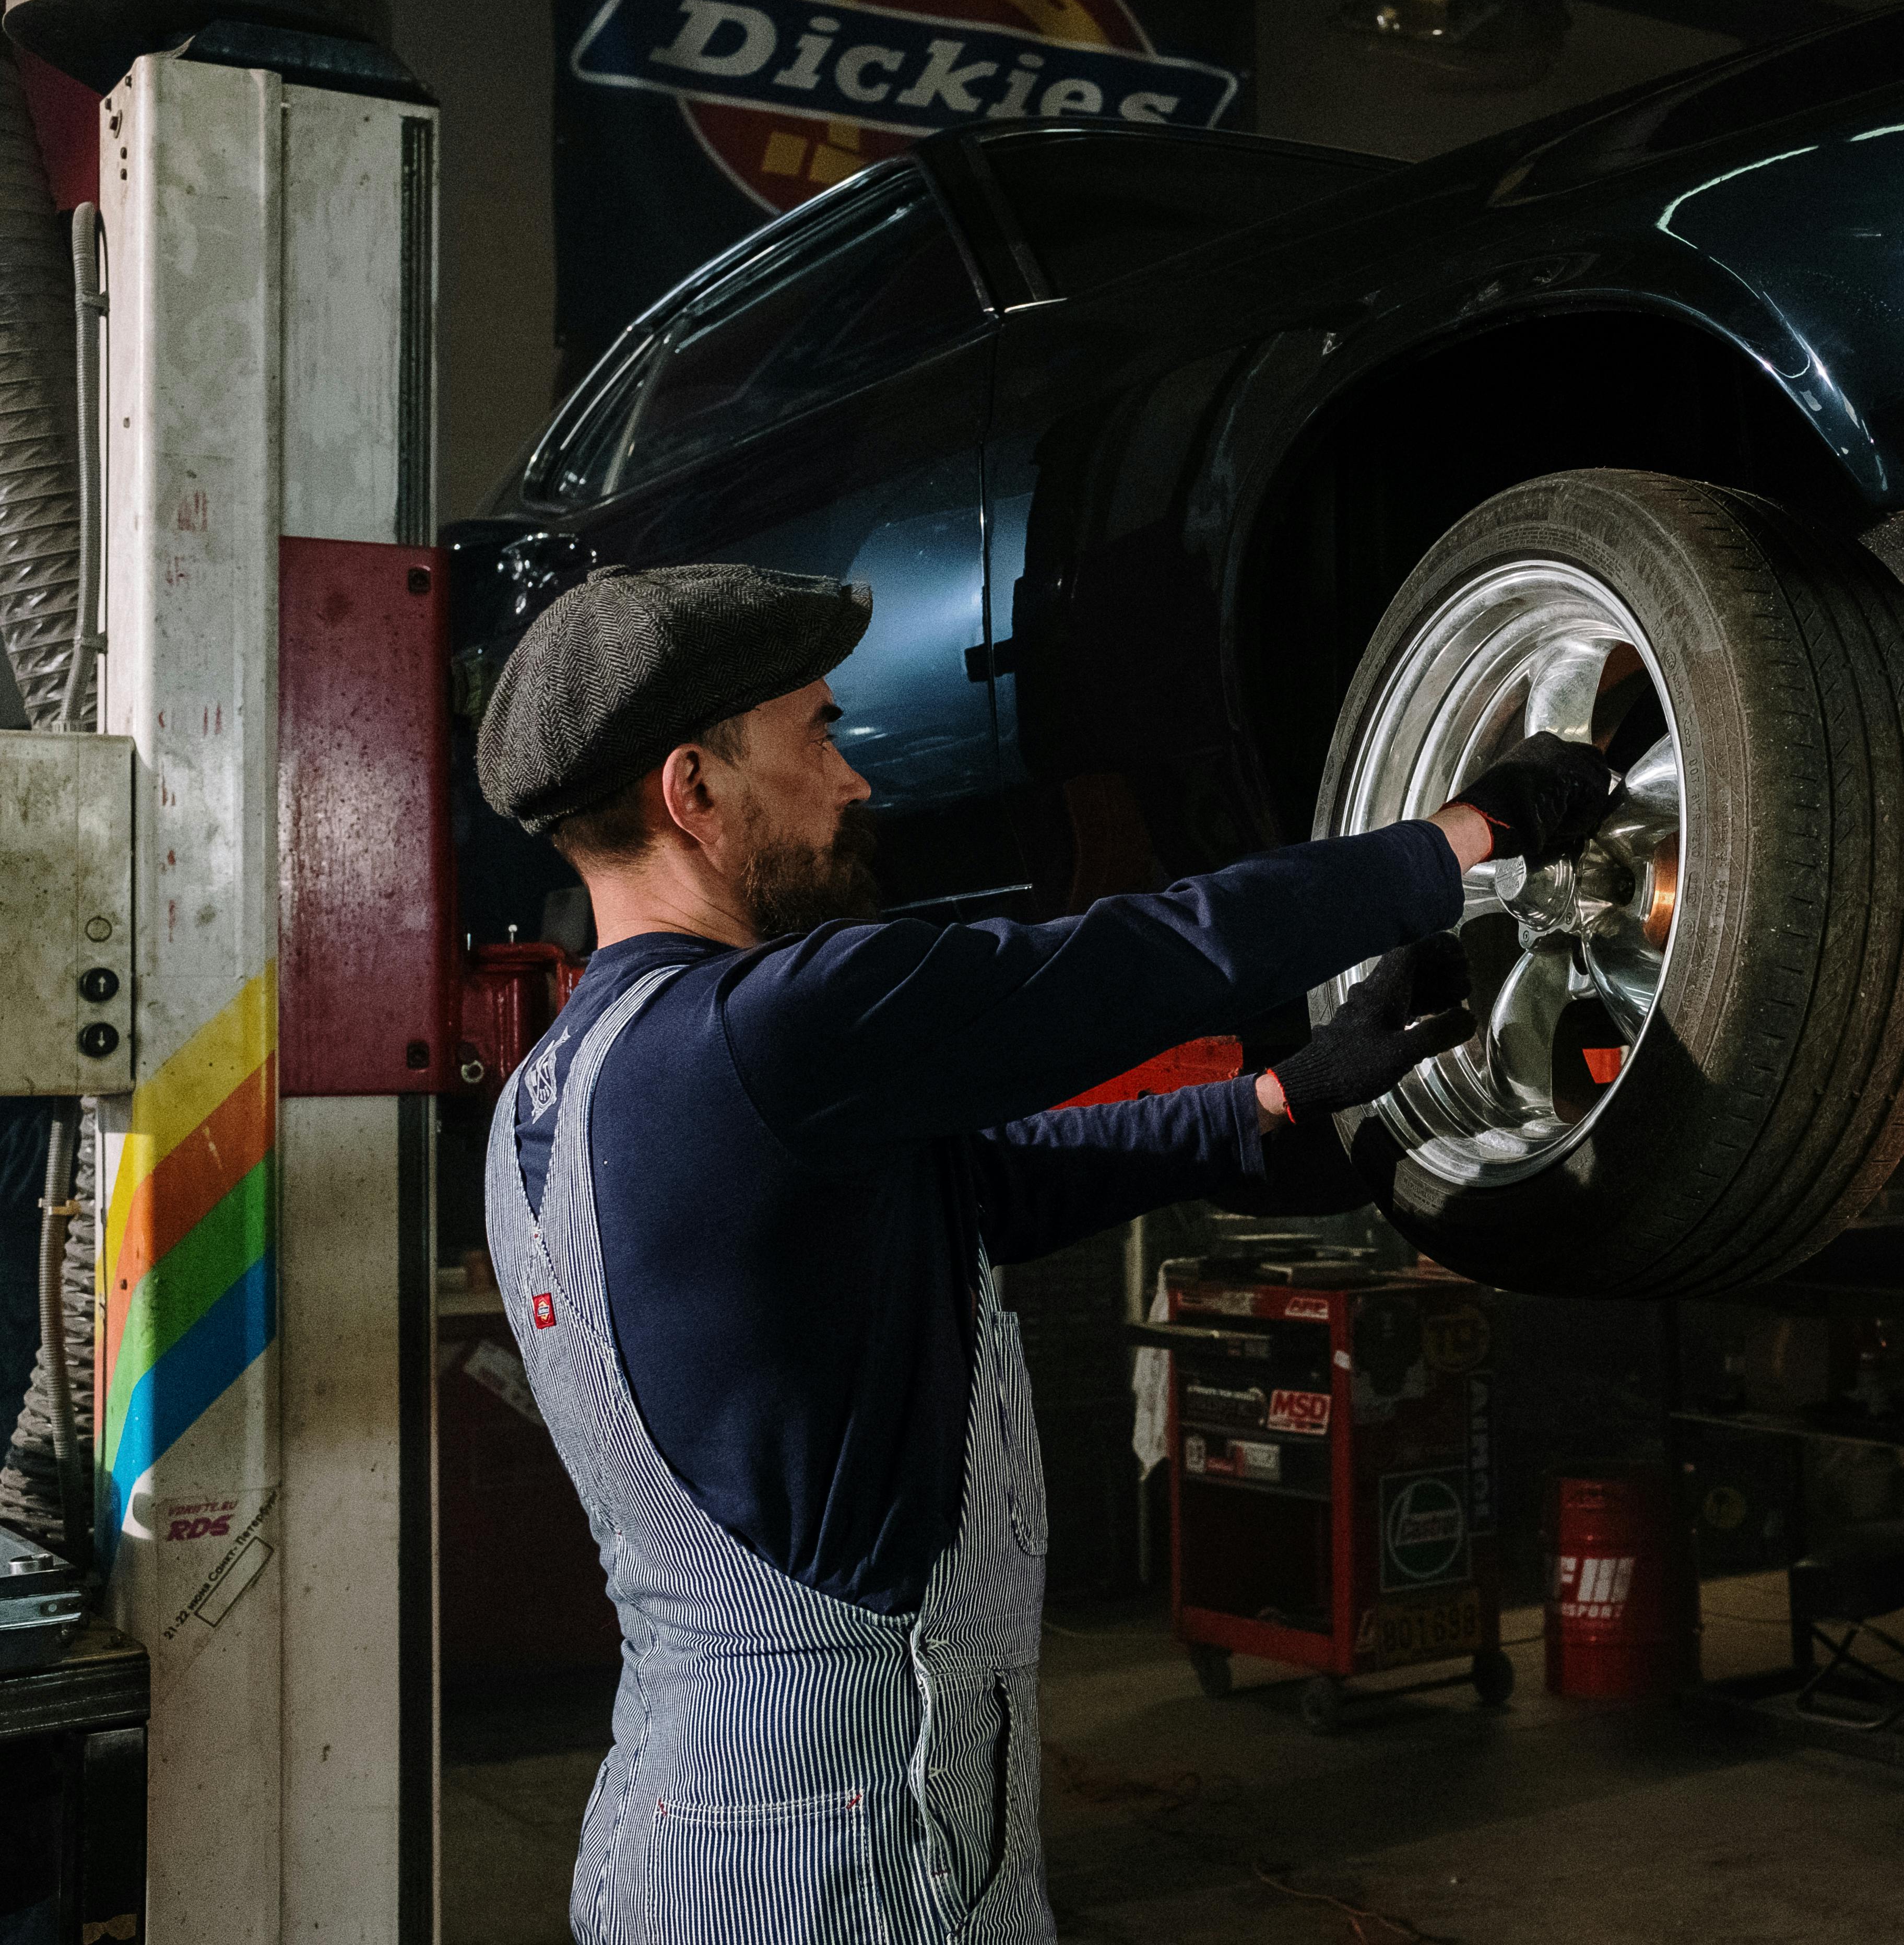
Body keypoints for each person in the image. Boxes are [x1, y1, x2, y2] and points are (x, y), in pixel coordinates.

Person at [471, 562, 1614, 1944]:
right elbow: (1140, 959)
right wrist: (1469, 835)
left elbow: (962, 1202)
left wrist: (1273, 1105)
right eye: (822, 735)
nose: (856, 786)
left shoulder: (572, 1080)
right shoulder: (770, 1029)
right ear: (693, 791)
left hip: (693, 1821)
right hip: (835, 1856)